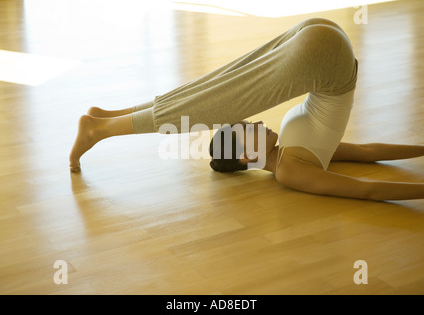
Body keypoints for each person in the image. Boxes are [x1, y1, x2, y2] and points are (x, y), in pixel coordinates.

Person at [70, 18, 424, 201]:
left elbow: (364, 154)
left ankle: (107, 117)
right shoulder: (290, 172)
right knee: (213, 100)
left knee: (214, 88)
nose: (255, 122)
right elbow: (367, 188)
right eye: (247, 130)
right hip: (327, 57)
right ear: (244, 158)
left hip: (322, 49)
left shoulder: (289, 149)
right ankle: (100, 126)